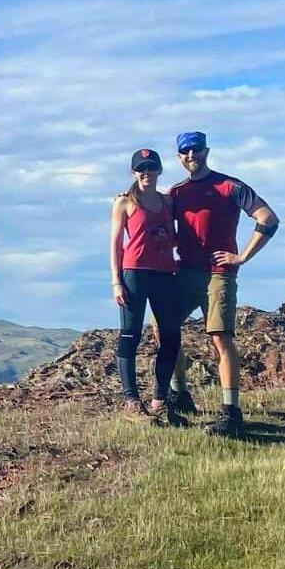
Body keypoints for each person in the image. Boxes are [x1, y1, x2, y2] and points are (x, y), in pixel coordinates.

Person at [168, 129, 280, 437]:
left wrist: (242, 256)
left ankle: (231, 413)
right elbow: (155, 217)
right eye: (186, 152)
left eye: (197, 150)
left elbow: (268, 219)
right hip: (186, 272)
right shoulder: (176, 193)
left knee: (219, 337)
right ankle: (180, 395)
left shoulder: (230, 186)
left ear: (206, 151)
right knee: (162, 327)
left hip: (219, 274)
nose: (192, 156)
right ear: (179, 157)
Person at [108, 147, 185, 419]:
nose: (147, 173)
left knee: (171, 336)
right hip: (134, 274)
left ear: (159, 170)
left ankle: (159, 400)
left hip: (165, 274)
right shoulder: (125, 202)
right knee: (131, 335)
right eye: (141, 168)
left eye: (151, 168)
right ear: (134, 172)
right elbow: (116, 244)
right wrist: (116, 281)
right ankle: (131, 400)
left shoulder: (168, 202)